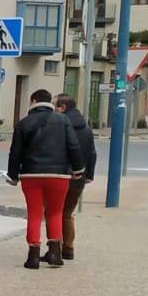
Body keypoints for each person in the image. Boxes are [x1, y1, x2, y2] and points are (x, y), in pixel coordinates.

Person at [7, 89, 86, 268]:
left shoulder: (23, 123)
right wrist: (78, 169)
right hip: (58, 175)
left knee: (34, 213)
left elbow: (15, 153)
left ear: (34, 101)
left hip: (31, 175)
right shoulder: (63, 120)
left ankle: (33, 256)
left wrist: (13, 175)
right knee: (55, 212)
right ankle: (55, 253)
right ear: (49, 102)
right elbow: (74, 146)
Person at [53, 95, 97, 258]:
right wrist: (89, 174)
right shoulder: (86, 128)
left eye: (54, 106)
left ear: (62, 107)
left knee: (55, 212)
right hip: (79, 177)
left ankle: (55, 247)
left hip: (61, 174)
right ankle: (68, 248)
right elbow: (92, 153)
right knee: (68, 213)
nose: (53, 109)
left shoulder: (60, 126)